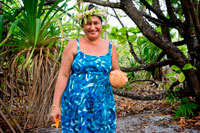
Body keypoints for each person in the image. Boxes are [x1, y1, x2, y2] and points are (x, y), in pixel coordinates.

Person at [50, 4, 123, 132]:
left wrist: (119, 78)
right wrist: (55, 105)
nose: (92, 27)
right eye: (88, 23)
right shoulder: (73, 45)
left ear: (101, 24)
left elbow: (116, 72)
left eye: (96, 23)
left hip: (103, 105)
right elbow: (63, 75)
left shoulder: (110, 48)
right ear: (82, 26)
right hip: (76, 106)